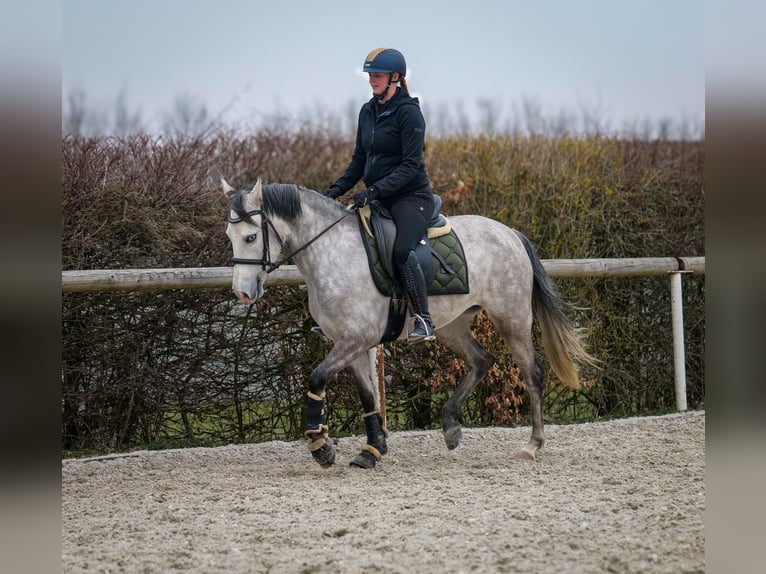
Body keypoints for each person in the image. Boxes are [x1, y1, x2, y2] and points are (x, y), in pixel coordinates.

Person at [324, 48, 436, 343]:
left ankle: (423, 318)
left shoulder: (409, 113)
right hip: (378, 198)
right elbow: (359, 160)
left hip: (411, 197)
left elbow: (411, 166)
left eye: (378, 75)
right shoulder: (367, 111)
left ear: (395, 77)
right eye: (370, 75)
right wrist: (333, 193)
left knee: (401, 251)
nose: (372, 80)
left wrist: (373, 190)